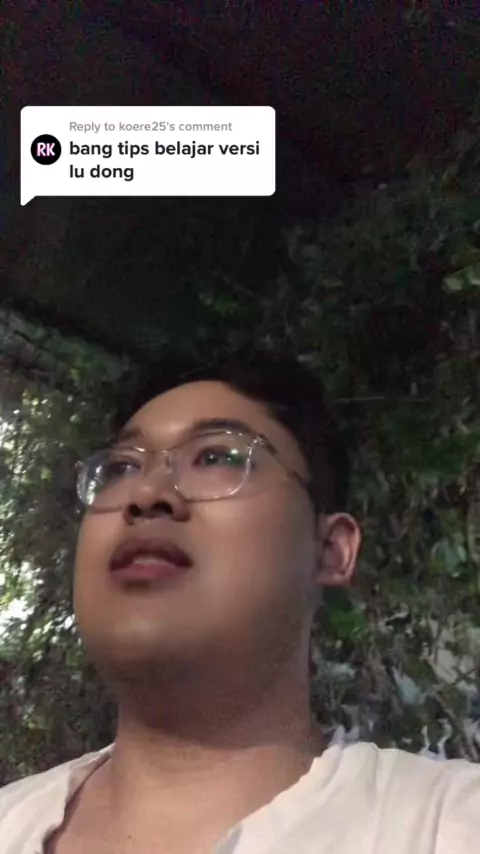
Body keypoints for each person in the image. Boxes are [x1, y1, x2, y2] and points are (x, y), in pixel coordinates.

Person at [0, 347, 478, 854]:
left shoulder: (450, 825)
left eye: (216, 457)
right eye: (122, 468)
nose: (145, 493)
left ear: (331, 550)